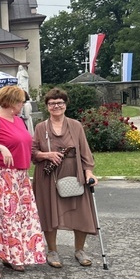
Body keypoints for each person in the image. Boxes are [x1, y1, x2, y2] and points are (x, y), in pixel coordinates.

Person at [0, 85, 46, 279]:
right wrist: (0, 148)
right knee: (1, 217)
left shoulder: (19, 120)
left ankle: (12, 255)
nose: (23, 104)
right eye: (21, 101)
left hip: (20, 176)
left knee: (19, 217)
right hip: (1, 175)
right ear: (12, 101)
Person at [32, 88, 99, 268]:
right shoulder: (40, 128)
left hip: (74, 172)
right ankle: (52, 251)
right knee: (49, 213)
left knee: (81, 213)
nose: (56, 106)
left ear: (65, 105)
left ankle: (79, 250)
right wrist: (47, 155)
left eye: (60, 102)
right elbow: (33, 153)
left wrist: (89, 172)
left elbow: (84, 150)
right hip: (48, 175)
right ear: (47, 106)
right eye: (52, 103)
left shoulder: (76, 125)